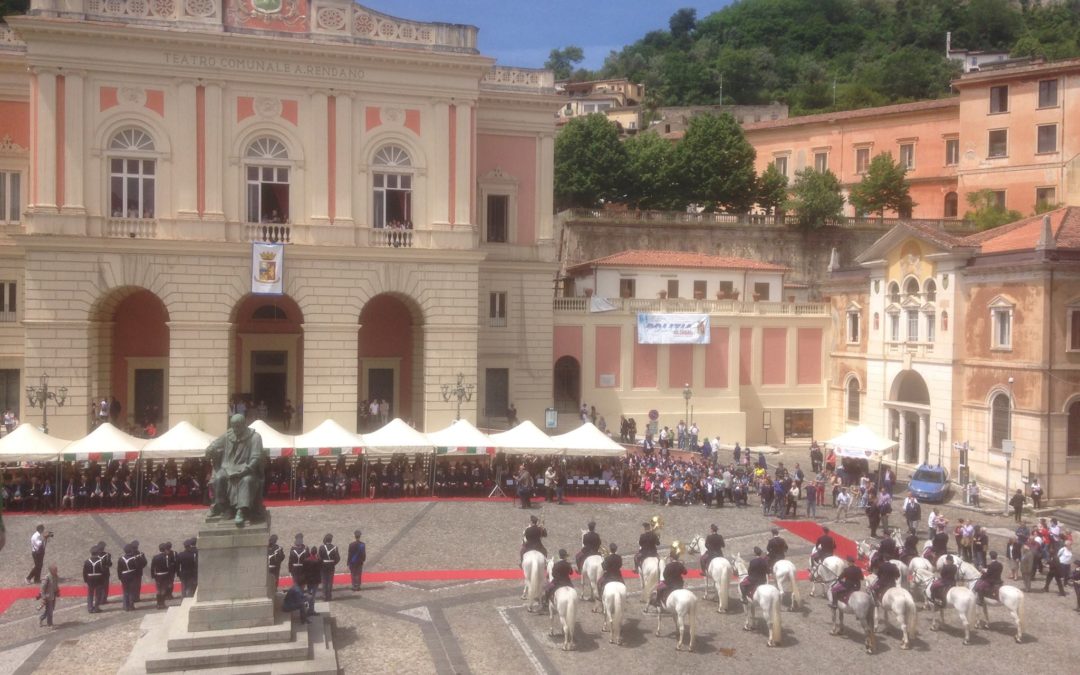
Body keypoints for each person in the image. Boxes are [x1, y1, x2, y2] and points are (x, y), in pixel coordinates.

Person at [206, 413, 265, 527]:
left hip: (247, 470)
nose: (235, 429)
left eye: (237, 426)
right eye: (233, 426)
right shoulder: (228, 435)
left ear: (244, 424)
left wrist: (246, 470)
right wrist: (211, 449)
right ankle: (224, 508)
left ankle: (241, 511)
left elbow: (256, 457)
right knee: (219, 478)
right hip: (227, 467)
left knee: (246, 481)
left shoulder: (255, 437)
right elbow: (215, 444)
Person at [82, 544, 107, 614]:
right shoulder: (101, 561)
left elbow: (84, 572)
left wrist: (85, 580)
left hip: (90, 579)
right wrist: (104, 579)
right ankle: (96, 607)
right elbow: (103, 571)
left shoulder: (87, 562)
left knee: (90, 594)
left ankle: (90, 608)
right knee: (98, 594)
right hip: (99, 579)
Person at [118, 543, 141, 611]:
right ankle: (131, 606)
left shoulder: (121, 559)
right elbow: (137, 568)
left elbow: (119, 570)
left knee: (125, 592)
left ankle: (125, 606)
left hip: (124, 576)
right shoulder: (134, 558)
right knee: (131, 591)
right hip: (132, 575)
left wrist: (120, 577)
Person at [318, 534, 340, 602]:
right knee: (330, 582)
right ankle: (329, 596)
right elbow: (338, 558)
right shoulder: (335, 547)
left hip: (324, 566)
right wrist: (333, 563)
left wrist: (321, 564)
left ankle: (324, 596)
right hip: (331, 566)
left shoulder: (321, 547)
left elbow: (319, 558)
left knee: (324, 581)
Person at [302, 546, 321, 615]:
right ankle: (311, 610)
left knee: (309, 594)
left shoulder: (306, 560)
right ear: (316, 553)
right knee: (313, 596)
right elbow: (320, 570)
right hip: (315, 581)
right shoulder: (318, 561)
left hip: (309, 580)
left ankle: (309, 608)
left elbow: (304, 570)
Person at [151, 544, 172, 609]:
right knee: (163, 590)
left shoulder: (155, 557)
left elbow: (152, 567)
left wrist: (153, 575)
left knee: (158, 590)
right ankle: (162, 603)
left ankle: (158, 604)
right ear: (165, 549)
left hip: (158, 576)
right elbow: (169, 567)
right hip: (165, 575)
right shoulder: (167, 557)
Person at [97, 541, 113, 606]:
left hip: (98, 573)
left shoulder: (95, 555)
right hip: (105, 573)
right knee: (105, 587)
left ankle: (99, 598)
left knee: (98, 587)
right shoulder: (107, 555)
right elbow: (109, 564)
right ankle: (104, 599)